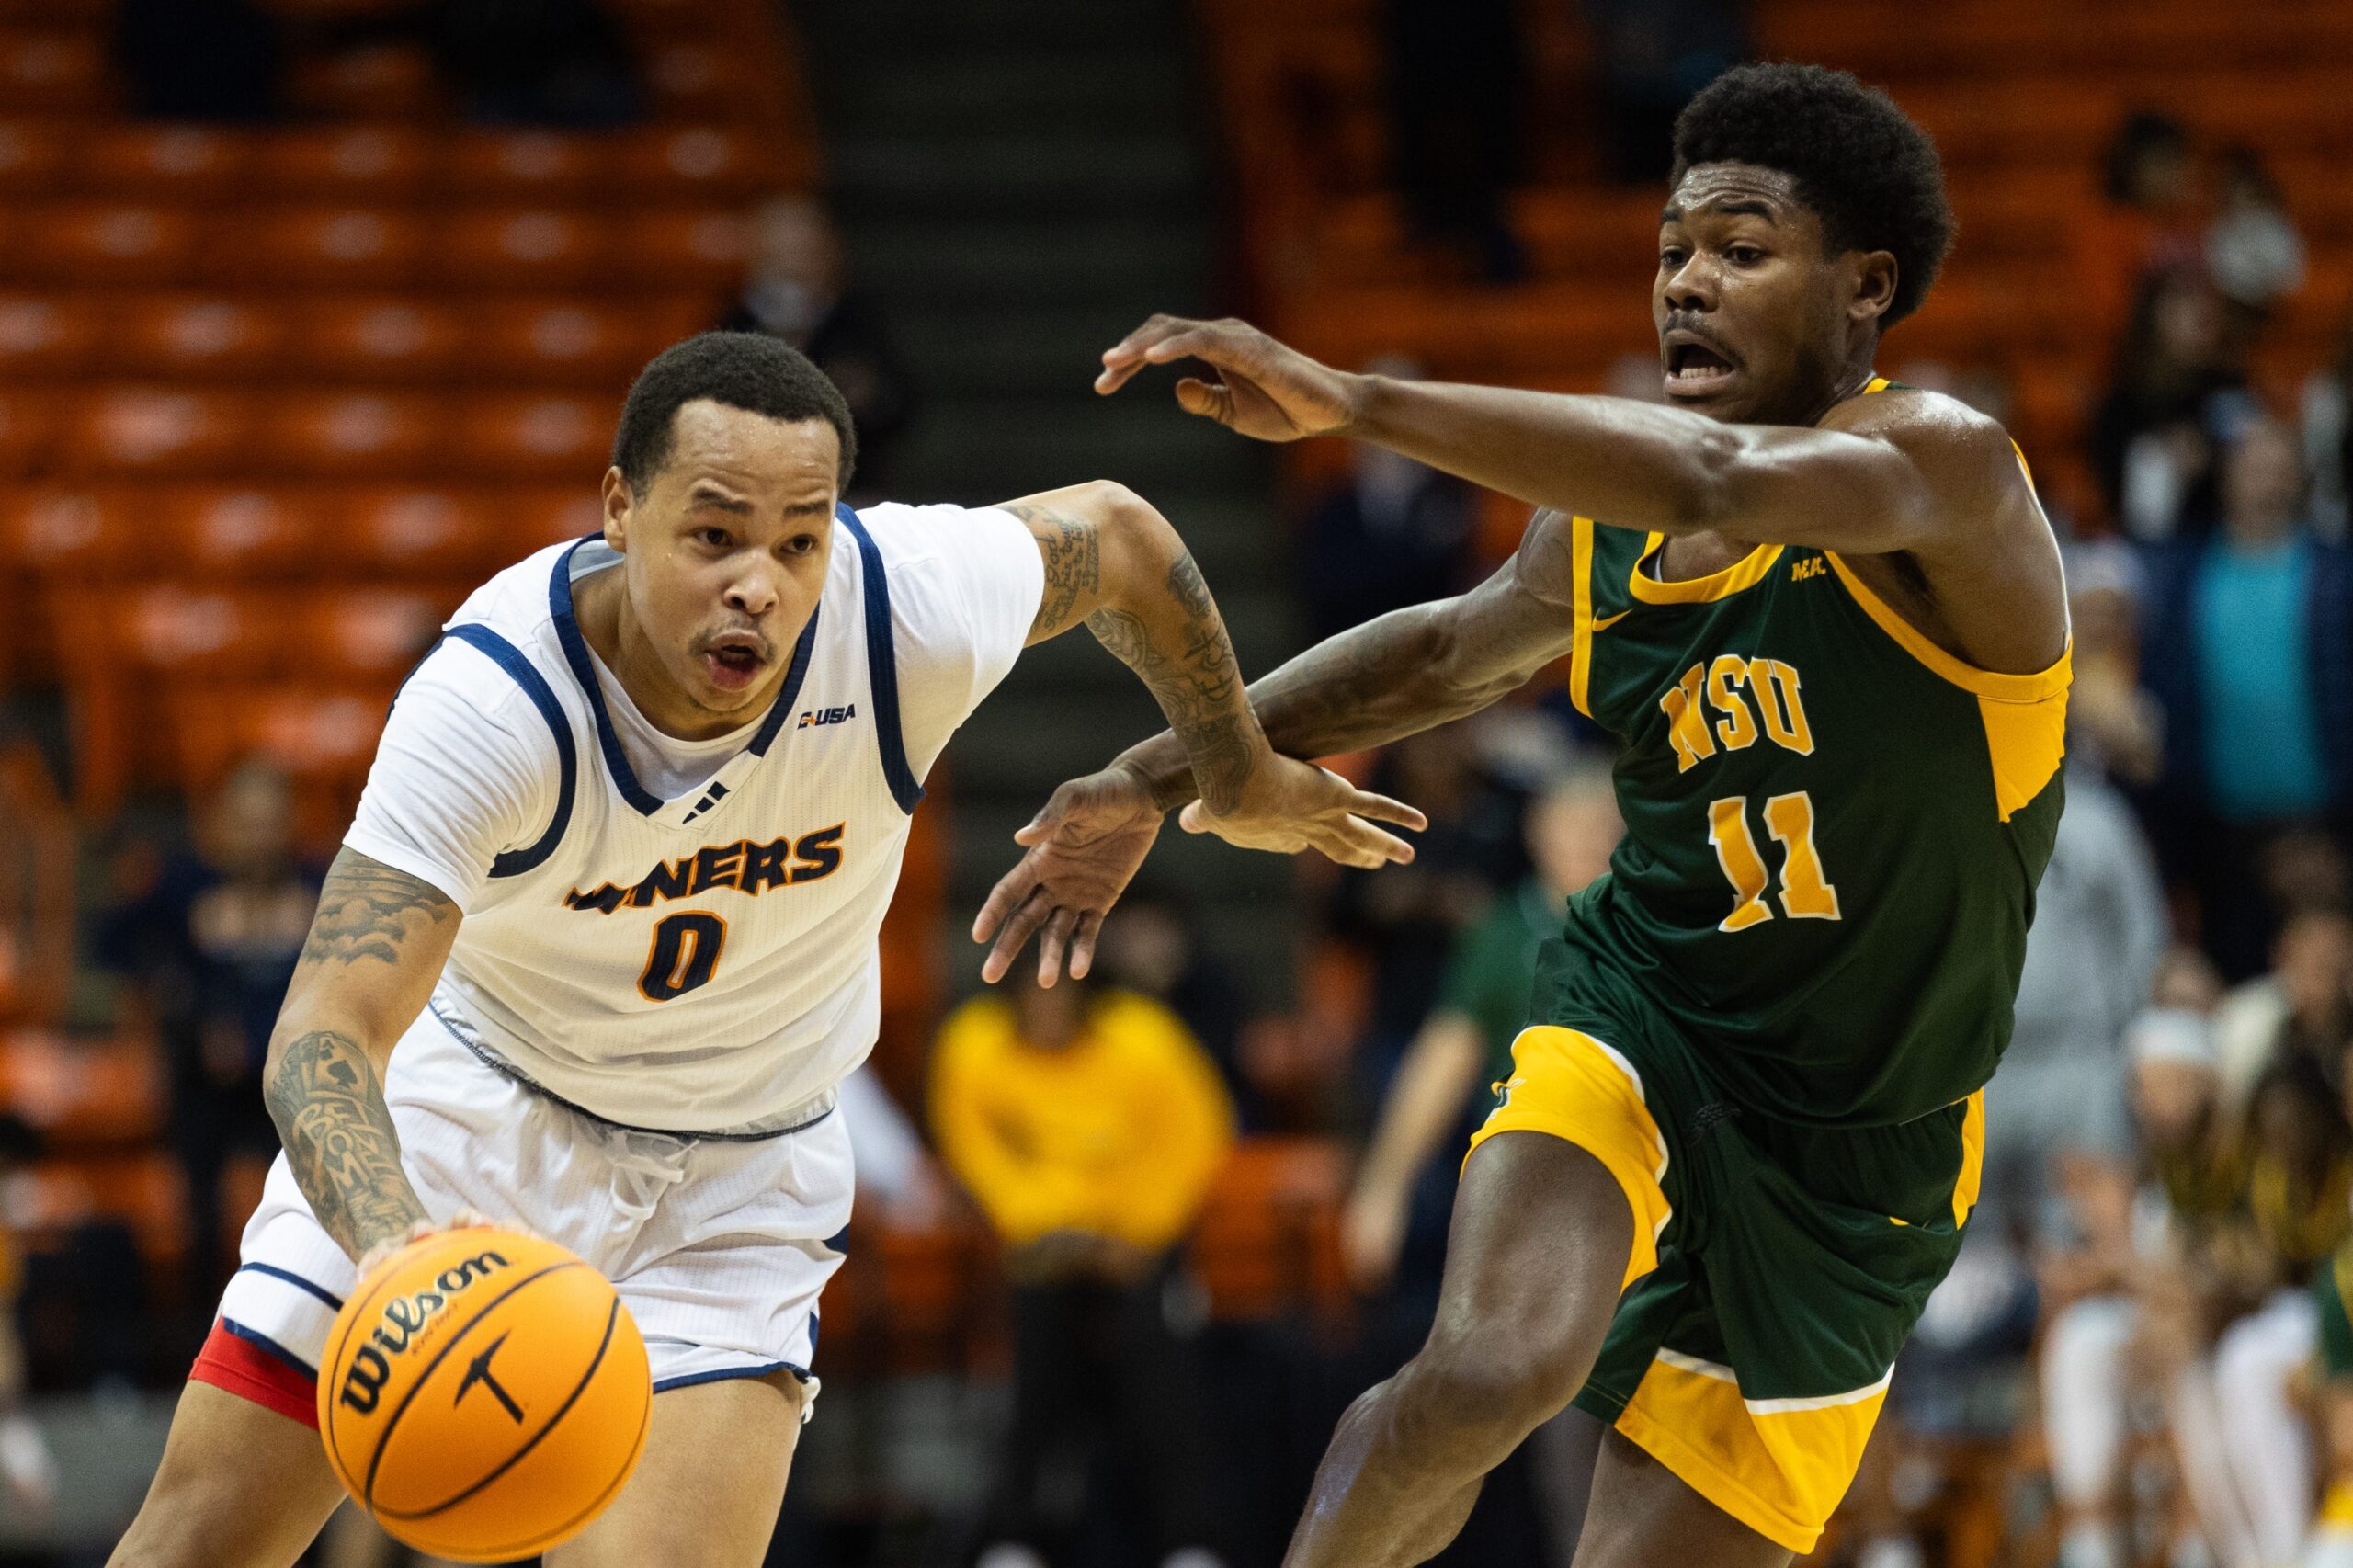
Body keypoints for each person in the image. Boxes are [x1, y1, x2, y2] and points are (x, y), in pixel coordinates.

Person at [982, 61, 2075, 1565]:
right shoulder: (1610, 521)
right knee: (1497, 1363)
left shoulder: (1949, 474)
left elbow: (1711, 471)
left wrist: (1357, 397)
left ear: (1865, 285)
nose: (1686, 281)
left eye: (1741, 250)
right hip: (1651, 1010)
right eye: (1673, 251)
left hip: (1864, 1145)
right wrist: (1152, 773)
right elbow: (1442, 651)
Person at [102, 332, 1422, 1568]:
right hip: (472, 1122)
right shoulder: (495, 700)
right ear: (620, 507)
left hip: (733, 1177)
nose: (760, 581)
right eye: (716, 533)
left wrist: (1233, 767)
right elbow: (323, 1031)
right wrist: (402, 1257)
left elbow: (1124, 536)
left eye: (799, 540)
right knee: (201, 1538)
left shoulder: (898, 608)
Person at [931, 967, 1235, 1568]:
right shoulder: (972, 1042)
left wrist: (1133, 1232)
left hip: (1139, 1248)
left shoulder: (1146, 1038)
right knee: (1033, 1373)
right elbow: (974, 1148)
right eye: (1033, 996)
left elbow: (1195, 1133)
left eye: (1061, 996)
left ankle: (1190, 1544)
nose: (1048, 1009)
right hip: (1037, 1250)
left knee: (1162, 1378)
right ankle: (1013, 1539)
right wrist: (1046, 1226)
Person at [1340, 763, 1623, 1298]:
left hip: (1634, 1175)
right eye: (1572, 825)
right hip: (1526, 1182)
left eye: (1601, 826)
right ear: (1537, 832)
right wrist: (1384, 1186)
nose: (1586, 841)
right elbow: (1444, 1058)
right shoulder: (1502, 929)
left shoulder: (1655, 926)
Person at [97, 759, 324, 1303]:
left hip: (292, 1083)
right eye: (248, 823)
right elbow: (110, 943)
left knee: (307, 1205)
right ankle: (200, 1333)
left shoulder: (319, 887)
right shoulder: (185, 887)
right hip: (207, 1084)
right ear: (221, 823)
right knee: (198, 1213)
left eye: (272, 822)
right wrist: (179, 1001)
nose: (261, 838)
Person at [2139, 416, 2353, 980]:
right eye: (2252, 465)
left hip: (2330, 830)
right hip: (2221, 837)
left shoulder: (2336, 569)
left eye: (2281, 466)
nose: (2267, 480)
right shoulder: (2181, 575)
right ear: (2226, 478)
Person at [718, 197, 916, 500]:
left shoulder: (858, 325)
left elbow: (899, 409)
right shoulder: (732, 325)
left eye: (802, 253)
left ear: (828, 253)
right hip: (752, 491)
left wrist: (866, 396)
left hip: (849, 491)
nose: (791, 267)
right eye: (779, 255)